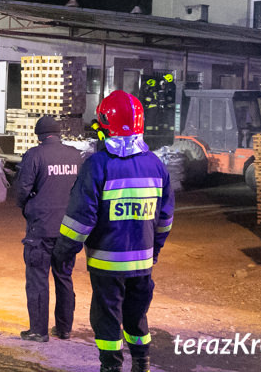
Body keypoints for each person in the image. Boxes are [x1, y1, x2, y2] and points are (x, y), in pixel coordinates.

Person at [53, 91, 174, 372]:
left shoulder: (98, 165)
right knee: (137, 316)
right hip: (143, 263)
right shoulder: (156, 165)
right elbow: (165, 219)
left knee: (107, 319)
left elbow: (80, 219)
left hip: (107, 265)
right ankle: (141, 364)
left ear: (107, 124)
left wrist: (63, 252)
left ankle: (111, 367)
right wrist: (154, 250)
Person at [15, 115, 85, 343]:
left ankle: (38, 331)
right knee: (64, 277)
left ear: (40, 135)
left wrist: (28, 206)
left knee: (38, 279)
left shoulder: (35, 155)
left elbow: (22, 190)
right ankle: (64, 328)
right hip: (68, 230)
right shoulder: (76, 156)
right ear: (59, 133)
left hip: (41, 229)